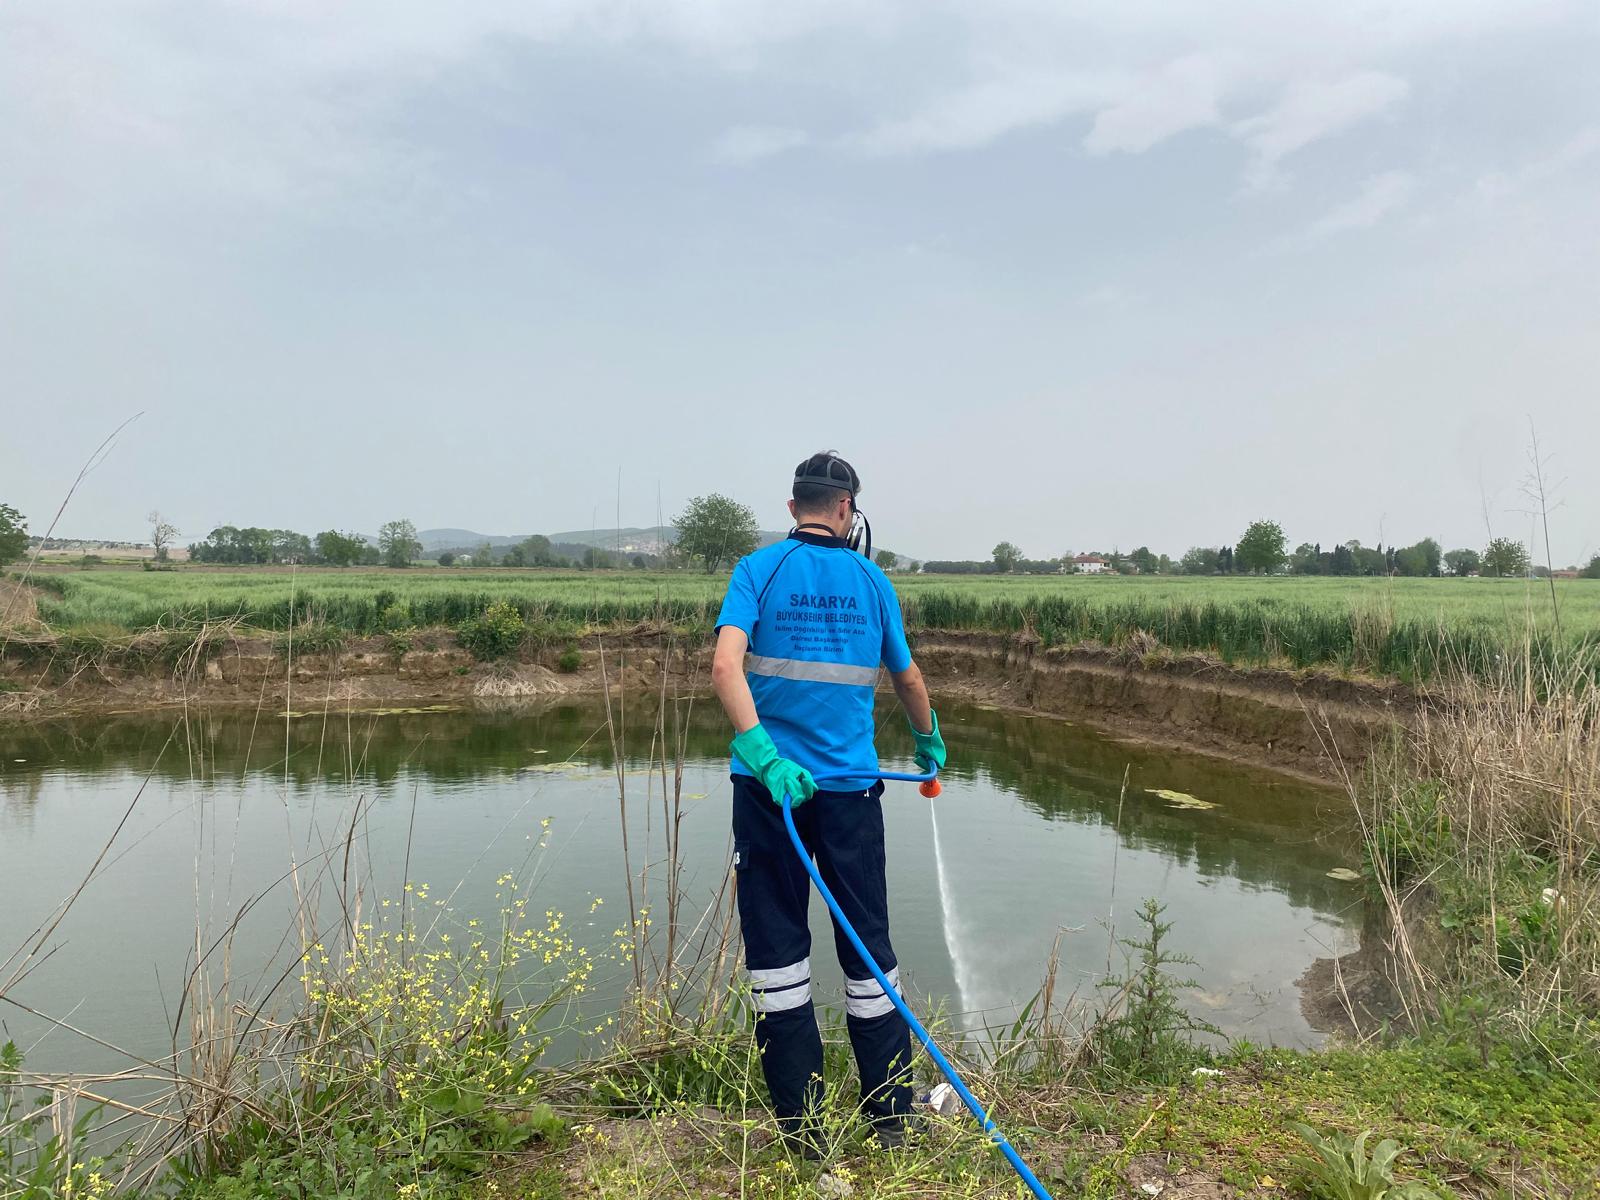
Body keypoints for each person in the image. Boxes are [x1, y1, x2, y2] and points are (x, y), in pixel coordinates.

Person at [710, 450, 947, 1151]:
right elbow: (905, 677)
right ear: (847, 509)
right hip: (850, 793)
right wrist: (928, 744)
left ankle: (804, 1135)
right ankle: (892, 1119)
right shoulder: (872, 580)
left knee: (778, 956)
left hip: (768, 794)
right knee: (868, 950)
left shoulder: (758, 570)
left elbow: (726, 666)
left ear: (794, 507)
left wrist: (763, 754)